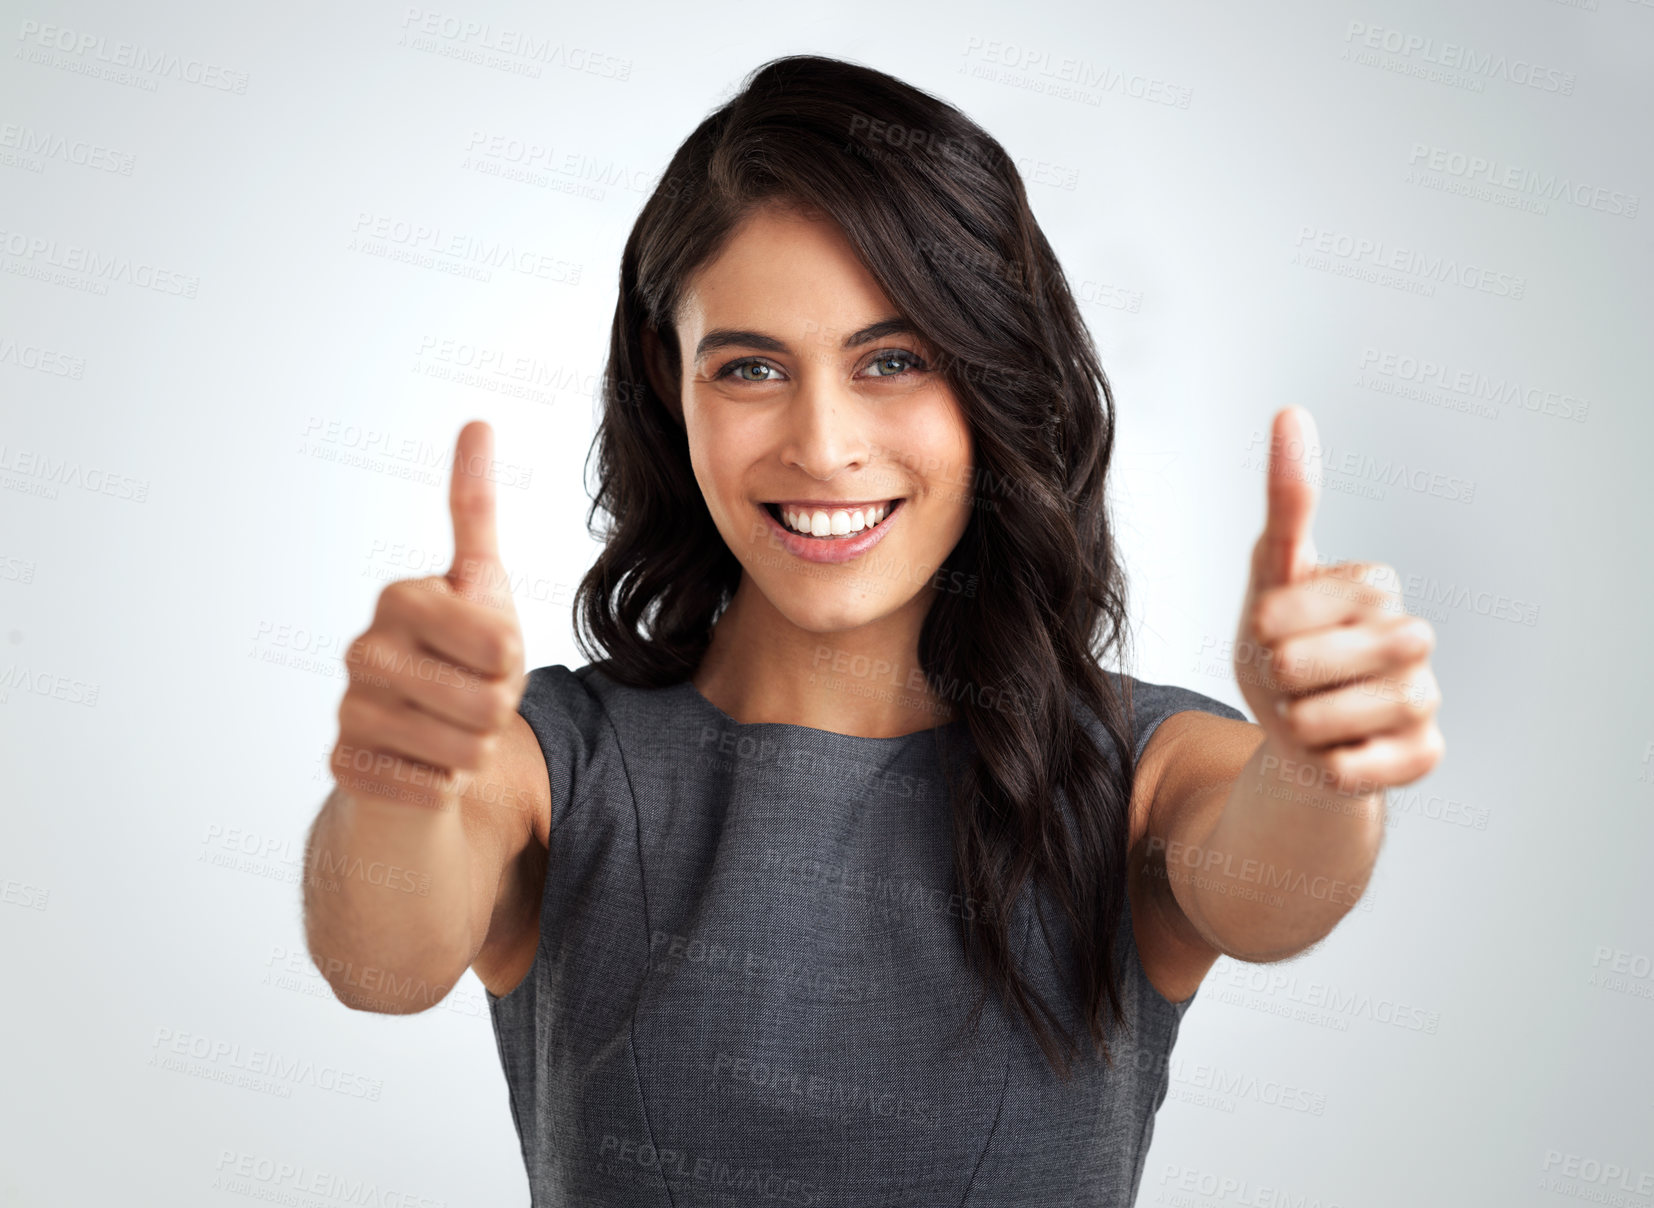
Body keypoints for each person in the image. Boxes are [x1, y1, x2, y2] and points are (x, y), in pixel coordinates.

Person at [302, 54, 1443, 1206]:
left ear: (997, 370)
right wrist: (397, 779)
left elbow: (1269, 890)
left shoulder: (1134, 765)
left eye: (893, 361)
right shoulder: (549, 760)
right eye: (750, 366)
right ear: (668, 377)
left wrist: (1319, 769)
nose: (824, 442)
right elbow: (380, 964)